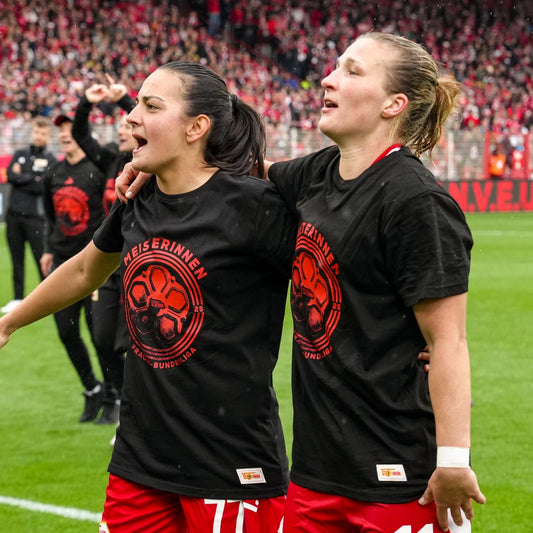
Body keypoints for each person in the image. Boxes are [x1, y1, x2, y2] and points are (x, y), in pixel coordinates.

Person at [118, 32, 486, 533]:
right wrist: (153, 166)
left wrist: (454, 460)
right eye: (334, 67)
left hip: (399, 472)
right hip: (316, 472)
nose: (328, 79)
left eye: (352, 71)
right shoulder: (319, 173)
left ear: (393, 104)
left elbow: (449, 341)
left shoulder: (415, 200)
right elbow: (241, 171)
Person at [0, 61, 297, 533]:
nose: (130, 116)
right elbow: (84, 270)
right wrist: (9, 322)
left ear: (197, 128)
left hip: (230, 465)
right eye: (136, 103)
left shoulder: (256, 205)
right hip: (140, 460)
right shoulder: (140, 198)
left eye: (150, 106)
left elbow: (339, 261)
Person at [70, 76, 137, 424]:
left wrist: (124, 99)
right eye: (120, 125)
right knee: (102, 338)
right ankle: (122, 400)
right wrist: (87, 102)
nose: (122, 129)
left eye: (128, 124)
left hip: (139, 265)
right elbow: (81, 135)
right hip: (110, 266)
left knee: (136, 344)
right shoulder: (111, 161)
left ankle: (137, 410)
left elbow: (149, 121)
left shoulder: (150, 164)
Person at [40, 114, 111, 423]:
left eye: (70, 129)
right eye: (61, 130)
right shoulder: (53, 173)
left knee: (100, 336)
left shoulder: (97, 169)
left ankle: (113, 394)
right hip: (61, 264)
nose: (64, 134)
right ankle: (92, 388)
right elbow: (50, 216)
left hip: (94, 265)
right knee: (66, 332)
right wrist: (47, 249)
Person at [1, 116, 57, 314]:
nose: (39, 136)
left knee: (41, 259)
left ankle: (46, 298)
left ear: (48, 135)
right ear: (32, 132)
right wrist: (34, 177)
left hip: (36, 217)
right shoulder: (20, 153)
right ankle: (18, 298)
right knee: (16, 259)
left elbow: (43, 186)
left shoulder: (51, 159)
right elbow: (11, 175)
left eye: (43, 133)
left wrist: (23, 177)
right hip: (14, 215)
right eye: (36, 132)